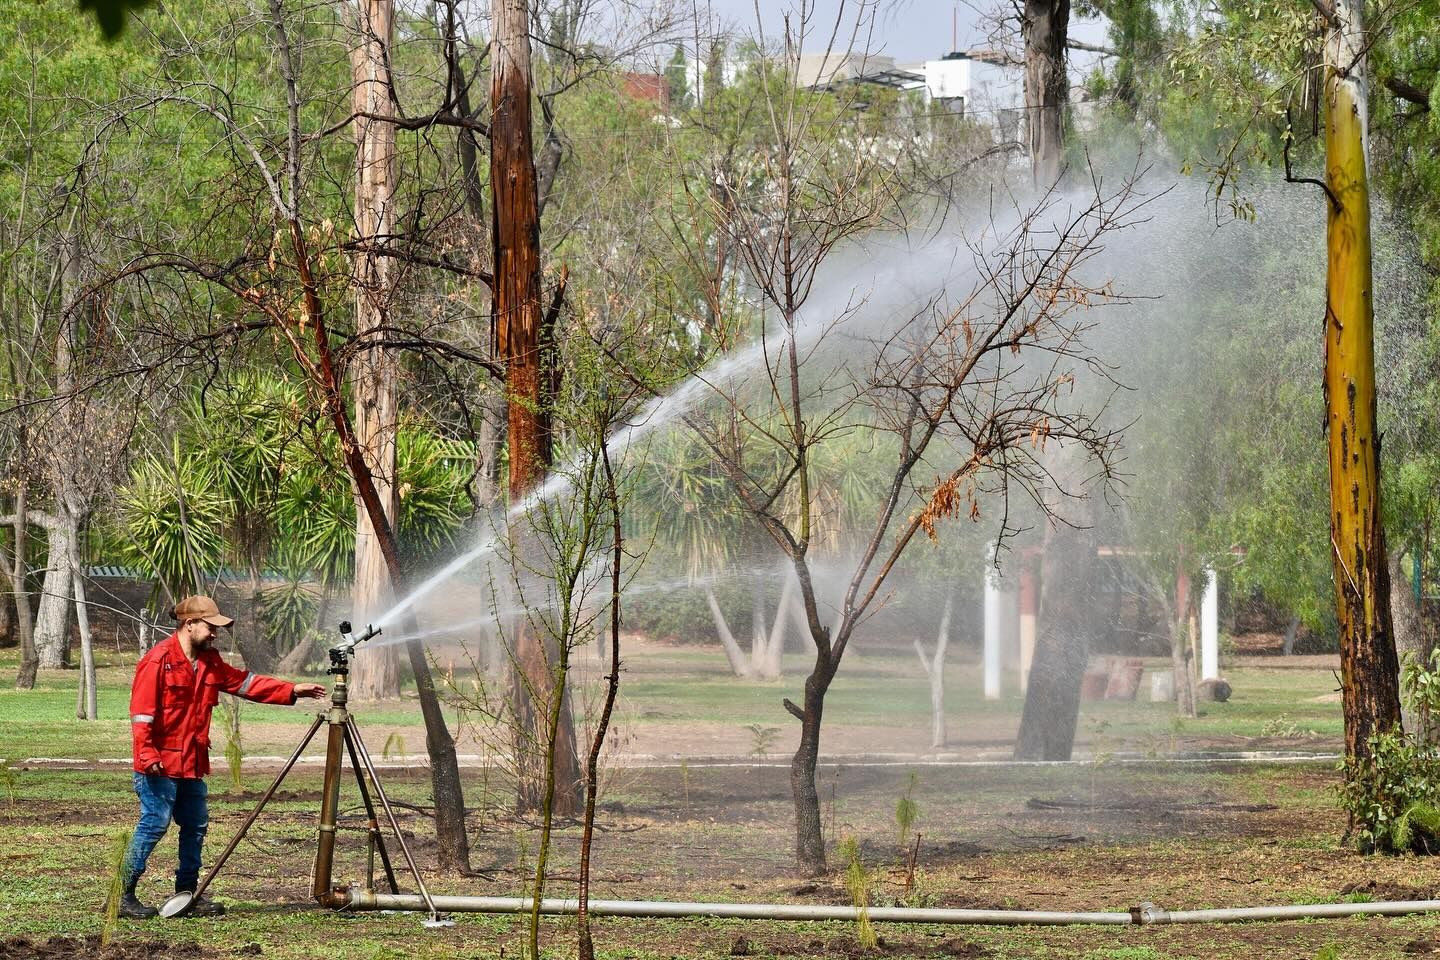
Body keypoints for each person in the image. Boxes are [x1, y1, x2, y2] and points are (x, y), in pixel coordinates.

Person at [120, 595, 326, 919]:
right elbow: (142, 716)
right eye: (210, 627)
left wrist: (291, 690)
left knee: (196, 826)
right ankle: (122, 895)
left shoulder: (210, 662)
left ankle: (188, 894)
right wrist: (147, 755)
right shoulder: (157, 661)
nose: (215, 634)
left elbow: (246, 683)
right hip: (159, 765)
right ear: (189, 625)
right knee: (154, 824)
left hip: (191, 763)